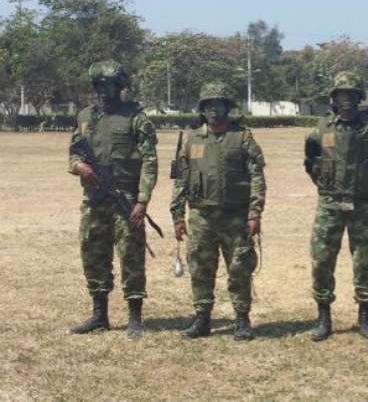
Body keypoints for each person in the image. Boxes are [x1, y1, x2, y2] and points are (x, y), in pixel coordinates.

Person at [303, 71, 368, 341]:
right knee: (322, 260)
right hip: (329, 204)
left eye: (351, 96)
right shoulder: (321, 130)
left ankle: (365, 315)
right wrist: (324, 186)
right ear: (333, 99)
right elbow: (310, 162)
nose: (346, 102)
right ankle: (323, 317)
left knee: (366, 259)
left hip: (362, 205)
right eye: (341, 96)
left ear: (358, 99)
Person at [170, 82, 266, 341]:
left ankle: (242, 320)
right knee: (200, 269)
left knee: (239, 269)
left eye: (219, 104)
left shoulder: (242, 138)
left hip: (235, 216)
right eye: (209, 105)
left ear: (227, 107)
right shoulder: (192, 140)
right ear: (202, 109)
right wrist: (177, 216)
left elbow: (257, 176)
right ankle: (202, 319)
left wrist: (255, 213)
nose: (214, 110)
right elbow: (180, 180)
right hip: (201, 217)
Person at [68, 60, 158, 339]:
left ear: (120, 87)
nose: (102, 91)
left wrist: (142, 201)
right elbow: (73, 153)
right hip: (94, 200)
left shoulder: (136, 118)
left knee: (131, 258)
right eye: (98, 86)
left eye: (107, 85)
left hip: (126, 200)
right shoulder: (85, 117)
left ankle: (134, 318)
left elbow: (150, 162)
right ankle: (99, 315)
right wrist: (79, 167)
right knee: (93, 256)